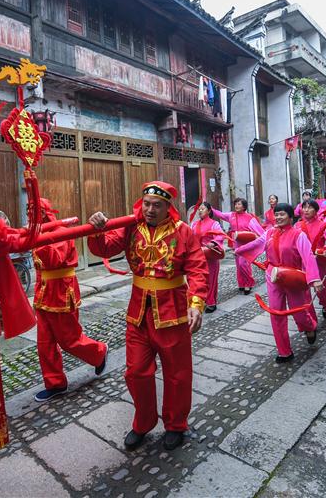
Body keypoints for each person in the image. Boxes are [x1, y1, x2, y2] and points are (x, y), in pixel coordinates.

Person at [88, 181, 207, 451]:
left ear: (168, 207)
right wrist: (97, 229)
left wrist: (197, 303)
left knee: (178, 375)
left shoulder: (183, 232)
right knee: (136, 372)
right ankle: (143, 422)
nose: (150, 210)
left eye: (157, 205)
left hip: (173, 314)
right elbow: (104, 248)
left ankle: (176, 424)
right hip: (138, 314)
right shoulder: (131, 226)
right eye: (146, 204)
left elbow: (198, 269)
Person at [31, 198, 108, 402]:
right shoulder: (38, 232)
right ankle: (55, 383)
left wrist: (36, 240)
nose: (31, 215)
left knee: (69, 340)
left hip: (61, 292)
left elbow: (54, 259)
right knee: (44, 343)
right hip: (43, 291)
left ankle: (99, 352)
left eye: (34, 211)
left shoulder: (60, 232)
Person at [235, 203, 322, 361]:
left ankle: (310, 327)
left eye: (282, 214)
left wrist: (314, 279)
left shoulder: (298, 235)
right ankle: (284, 351)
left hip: (292, 276)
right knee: (276, 313)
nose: (279, 217)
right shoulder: (269, 233)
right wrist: (239, 250)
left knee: (299, 312)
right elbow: (256, 244)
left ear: (290, 216)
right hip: (273, 276)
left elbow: (308, 256)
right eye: (276, 214)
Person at [296, 198, 326, 319]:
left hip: (318, 261)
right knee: (303, 288)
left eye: (309, 207)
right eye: (304, 207)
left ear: (316, 210)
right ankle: (309, 316)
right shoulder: (297, 225)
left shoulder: (322, 225)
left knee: (321, 285)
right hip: (302, 261)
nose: (306, 210)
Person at [212, 198, 265, 294]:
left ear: (244, 206)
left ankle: (248, 284)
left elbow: (259, 230)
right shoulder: (231, 215)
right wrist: (210, 208)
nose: (236, 206)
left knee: (243, 264)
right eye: (236, 204)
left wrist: (264, 238)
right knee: (238, 265)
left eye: (239, 204)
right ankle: (241, 284)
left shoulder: (249, 217)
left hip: (246, 244)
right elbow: (220, 214)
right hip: (236, 243)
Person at [191, 202, 226, 313]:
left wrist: (214, 243)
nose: (200, 211)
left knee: (211, 280)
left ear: (209, 211)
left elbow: (220, 235)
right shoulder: (194, 224)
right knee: (199, 279)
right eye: (199, 209)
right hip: (198, 256)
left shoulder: (214, 224)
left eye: (203, 209)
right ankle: (200, 300)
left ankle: (211, 302)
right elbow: (190, 237)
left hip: (210, 256)